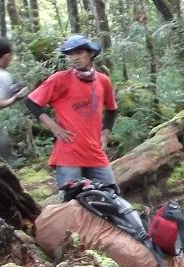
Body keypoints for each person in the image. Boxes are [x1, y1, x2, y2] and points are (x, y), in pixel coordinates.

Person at [24, 35, 118, 190]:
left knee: (111, 195)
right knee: (70, 204)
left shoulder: (103, 81)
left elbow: (112, 109)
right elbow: (31, 102)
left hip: (94, 151)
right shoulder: (60, 79)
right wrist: (54, 127)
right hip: (68, 152)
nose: (75, 57)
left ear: (90, 54)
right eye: (71, 54)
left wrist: (105, 133)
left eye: (79, 53)